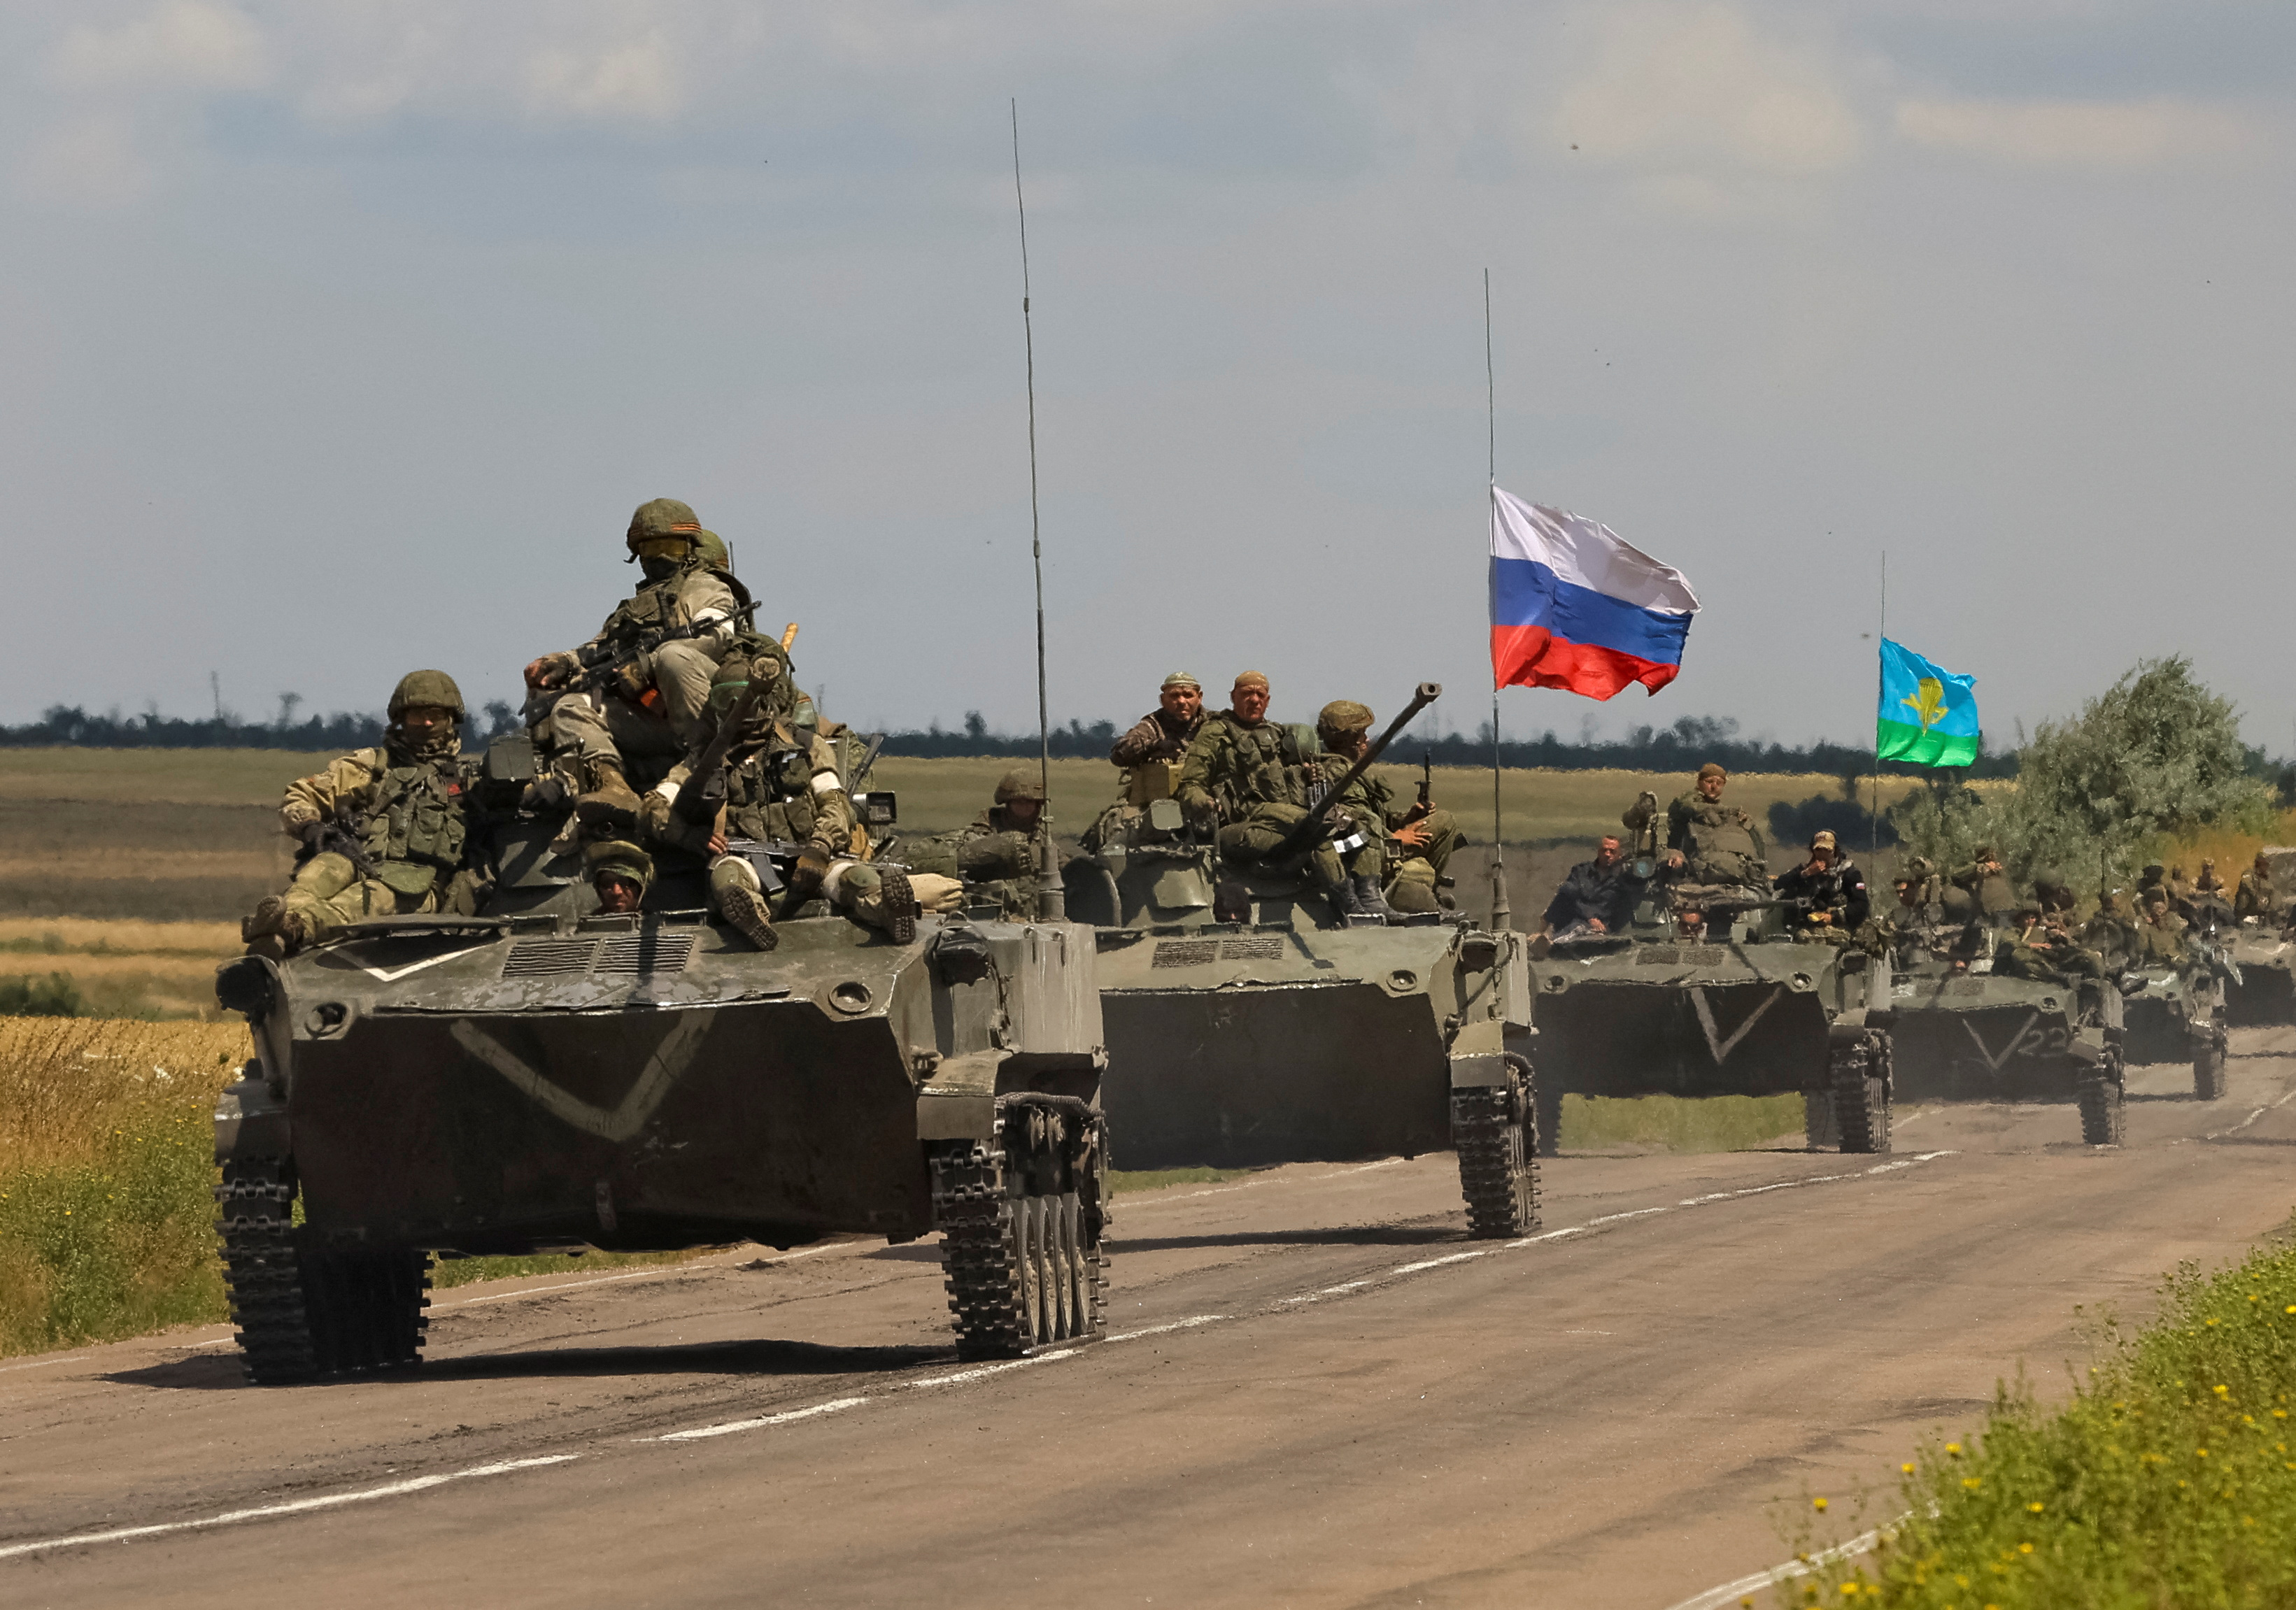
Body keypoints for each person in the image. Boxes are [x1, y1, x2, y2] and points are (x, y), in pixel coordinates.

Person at [637, 655, 949, 948]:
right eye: (724, 701)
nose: (737, 710)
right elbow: (653, 807)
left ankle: (889, 909)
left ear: (763, 701)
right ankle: (752, 917)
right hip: (743, 859)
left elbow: (836, 804)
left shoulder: (806, 747)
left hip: (812, 855)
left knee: (855, 879)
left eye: (741, 699)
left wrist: (821, 847)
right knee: (727, 881)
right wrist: (685, 834)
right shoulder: (702, 761)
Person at [523, 498, 749, 830]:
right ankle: (613, 787)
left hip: (707, 715)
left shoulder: (707, 587)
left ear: (689, 549)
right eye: (650, 548)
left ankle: (702, 755)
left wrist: (648, 663)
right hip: (653, 722)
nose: (659, 557)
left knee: (674, 657)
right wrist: (567, 662)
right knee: (570, 707)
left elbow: (714, 635)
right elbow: (600, 648)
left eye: (669, 546)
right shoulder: (633, 608)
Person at [241, 671, 483, 957]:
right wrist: (311, 828)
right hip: (358, 859)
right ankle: (274, 928)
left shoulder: (470, 780)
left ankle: (295, 929)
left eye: (436, 715)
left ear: (452, 720)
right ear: (401, 720)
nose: (427, 723)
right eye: (417, 716)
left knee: (364, 900)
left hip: (418, 887)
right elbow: (301, 794)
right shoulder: (372, 766)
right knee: (319, 873)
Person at [1310, 699, 1458, 916]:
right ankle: (1403, 890)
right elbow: (1354, 828)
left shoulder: (1348, 771)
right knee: (1443, 826)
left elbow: (1372, 815)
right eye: (1361, 734)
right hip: (1360, 854)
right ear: (1349, 740)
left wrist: (1405, 819)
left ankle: (1426, 892)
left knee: (1443, 820)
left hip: (1377, 841)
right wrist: (1395, 838)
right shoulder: (1336, 775)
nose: (1367, 740)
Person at [905, 769, 1053, 920]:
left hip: (1035, 922)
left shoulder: (1043, 841)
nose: (1026, 807)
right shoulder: (980, 839)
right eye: (1019, 802)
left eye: (1030, 802)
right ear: (1007, 802)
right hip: (990, 921)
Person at [1084, 673, 1208, 852]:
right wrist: (1154, 746)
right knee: (1119, 826)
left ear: (1199, 697)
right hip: (1155, 803)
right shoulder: (1153, 725)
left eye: (1188, 695)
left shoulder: (1214, 726)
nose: (1182, 701)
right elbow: (1119, 753)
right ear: (1163, 700)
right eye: (1174, 696)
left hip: (1204, 801)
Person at [1622, 762, 1767, 889]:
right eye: (1709, 781)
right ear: (1699, 782)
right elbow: (1686, 810)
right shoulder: (1686, 807)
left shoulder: (1731, 817)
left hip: (1734, 872)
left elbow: (1758, 847)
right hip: (1692, 868)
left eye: (1719, 783)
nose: (1713, 787)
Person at [1772, 829, 1870, 938]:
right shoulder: (1805, 870)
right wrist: (1805, 874)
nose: (1822, 855)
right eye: (1818, 850)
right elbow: (1778, 885)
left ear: (1835, 851)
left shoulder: (1850, 873)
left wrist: (1832, 917)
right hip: (1805, 928)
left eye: (1827, 850)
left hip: (1839, 928)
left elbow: (1862, 905)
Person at [1542, 834, 1641, 938]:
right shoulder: (1581, 871)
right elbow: (1569, 894)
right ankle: (1545, 932)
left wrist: (1610, 929)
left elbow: (1626, 908)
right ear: (1598, 852)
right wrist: (1590, 917)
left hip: (1601, 927)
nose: (1607, 854)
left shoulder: (1622, 881)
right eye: (1604, 850)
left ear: (1619, 856)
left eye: (1612, 852)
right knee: (1567, 891)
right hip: (1575, 918)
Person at [585, 839, 653, 913]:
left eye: (624, 883)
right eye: (607, 883)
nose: (617, 892)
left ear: (640, 888)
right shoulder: (588, 924)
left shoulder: (658, 922)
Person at [1950, 845, 2015, 918]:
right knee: (1975, 895)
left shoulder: (1982, 866)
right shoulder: (1980, 870)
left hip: (1961, 877)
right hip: (1958, 880)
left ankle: (1979, 913)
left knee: (1974, 894)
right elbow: (1978, 889)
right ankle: (1977, 914)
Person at [2235, 850, 2280, 923]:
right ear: (2259, 864)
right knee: (2244, 895)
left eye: (2267, 865)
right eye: (2265, 865)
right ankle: (2242, 918)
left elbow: (2272, 892)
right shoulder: (2250, 874)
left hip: (2262, 911)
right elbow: (2246, 883)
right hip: (2249, 909)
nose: (2267, 867)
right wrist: (2257, 896)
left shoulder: (2267, 879)